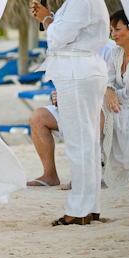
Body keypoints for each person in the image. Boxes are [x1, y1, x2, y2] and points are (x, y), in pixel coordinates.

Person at [31, 0, 110, 226]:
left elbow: (59, 36)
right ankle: (90, 206)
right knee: (87, 142)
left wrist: (47, 18)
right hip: (81, 70)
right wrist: (50, 16)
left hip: (78, 72)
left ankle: (77, 210)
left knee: (79, 142)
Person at [25, 40, 114, 189]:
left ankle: (87, 173)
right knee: (37, 117)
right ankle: (50, 175)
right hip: (71, 104)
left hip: (99, 106)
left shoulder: (110, 49)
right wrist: (58, 97)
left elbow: (111, 87)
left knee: (91, 115)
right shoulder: (66, 46)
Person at [100, 10, 129, 189]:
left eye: (117, 29)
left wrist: (109, 94)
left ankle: (95, 167)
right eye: (111, 30)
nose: (113, 34)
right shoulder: (115, 54)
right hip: (116, 102)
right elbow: (107, 79)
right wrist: (108, 92)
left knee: (98, 110)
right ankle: (93, 166)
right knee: (95, 107)